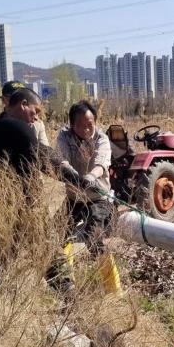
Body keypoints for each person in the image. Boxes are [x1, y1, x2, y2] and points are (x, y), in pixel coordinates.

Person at [0, 87, 79, 290]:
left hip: (0, 203)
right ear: (23, 104)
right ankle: (66, 290)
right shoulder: (15, 126)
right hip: (27, 203)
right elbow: (41, 155)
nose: (36, 118)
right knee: (48, 249)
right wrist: (70, 175)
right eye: (35, 111)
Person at [55, 100, 115, 253]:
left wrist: (90, 177)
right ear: (72, 125)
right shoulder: (64, 136)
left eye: (90, 124)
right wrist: (73, 176)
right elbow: (62, 160)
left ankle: (103, 266)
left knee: (94, 236)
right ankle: (64, 264)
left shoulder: (102, 139)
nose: (86, 129)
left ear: (95, 121)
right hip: (74, 197)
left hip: (98, 197)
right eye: (80, 125)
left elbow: (101, 164)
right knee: (58, 232)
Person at [0, 81, 49, 163]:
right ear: (3, 100)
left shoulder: (37, 124)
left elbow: (46, 154)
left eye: (20, 95)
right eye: (12, 96)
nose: (17, 99)